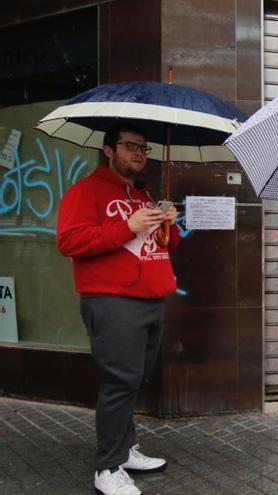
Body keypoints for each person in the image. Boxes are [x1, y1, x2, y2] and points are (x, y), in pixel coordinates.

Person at [56, 123, 179, 495]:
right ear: (108, 150)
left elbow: (160, 247)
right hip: (112, 302)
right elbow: (70, 240)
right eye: (130, 146)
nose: (139, 154)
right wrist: (127, 224)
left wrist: (168, 225)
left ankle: (124, 450)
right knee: (119, 382)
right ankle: (107, 468)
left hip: (150, 298)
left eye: (144, 148)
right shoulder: (86, 191)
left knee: (132, 380)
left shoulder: (143, 196)